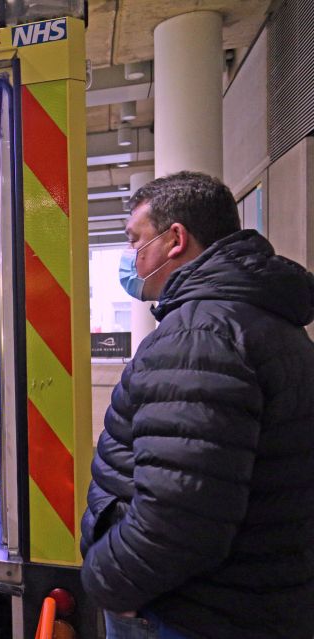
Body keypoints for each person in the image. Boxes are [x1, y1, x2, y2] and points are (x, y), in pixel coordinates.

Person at [80, 171, 314, 638]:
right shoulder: (259, 318)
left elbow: (179, 519)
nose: (131, 258)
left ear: (175, 240)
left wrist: (105, 582)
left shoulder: (198, 334)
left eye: (134, 240)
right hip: (248, 601)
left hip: (186, 611)